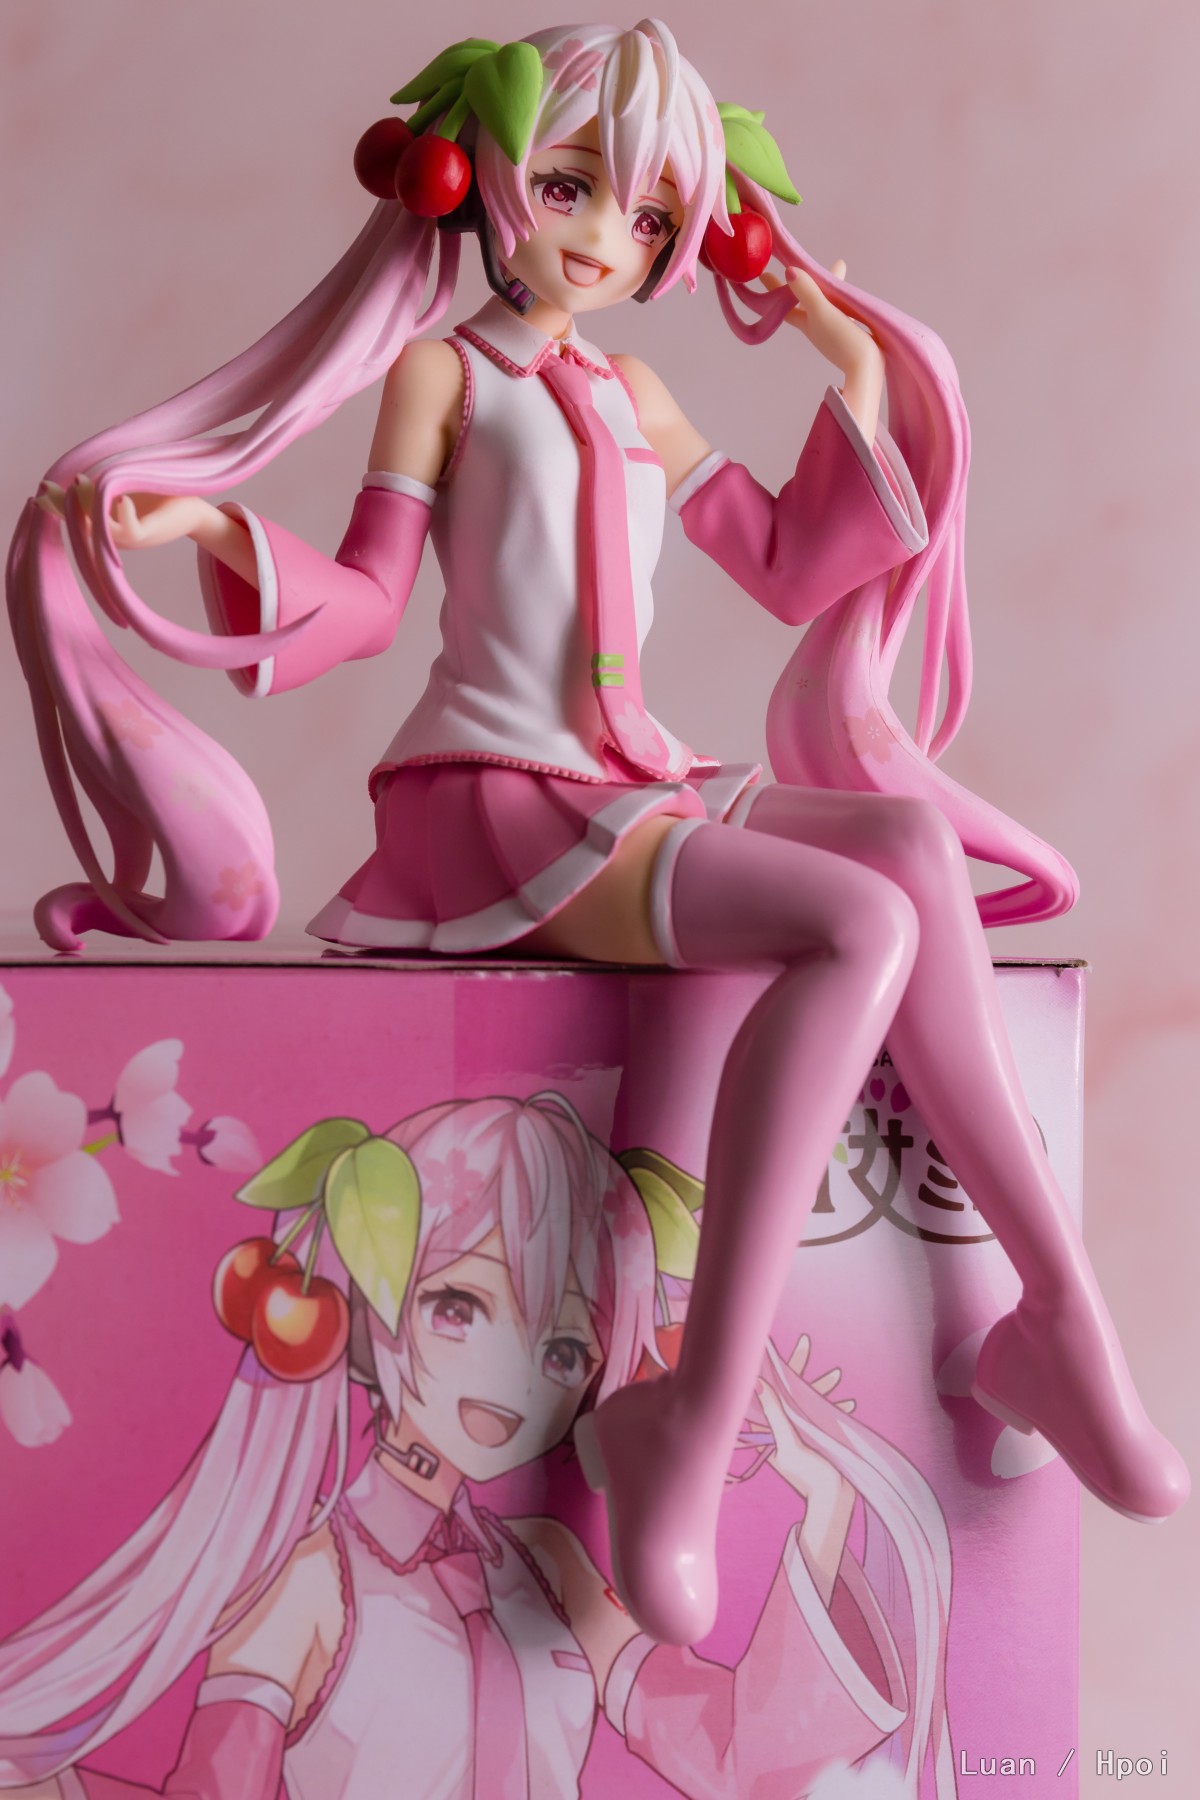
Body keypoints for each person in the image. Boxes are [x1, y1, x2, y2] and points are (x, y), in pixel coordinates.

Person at [8, 20, 1186, 1650]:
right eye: (569, 187)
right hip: (500, 800)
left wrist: (856, 372)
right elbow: (368, 603)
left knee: (911, 860)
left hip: (640, 778)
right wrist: (220, 531)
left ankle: (1059, 1321)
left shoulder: (635, 390)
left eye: (647, 215)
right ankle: (683, 1423)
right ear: (482, 179)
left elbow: (788, 565)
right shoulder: (448, 376)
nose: (603, 237)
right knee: (860, 926)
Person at [0, 1093, 957, 1799]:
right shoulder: (307, 1587)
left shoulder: (548, 1567)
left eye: (563, 1348)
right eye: (458, 1306)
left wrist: (824, 1504)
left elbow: (743, 1763)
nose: (509, 1373)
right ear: (369, 1311)